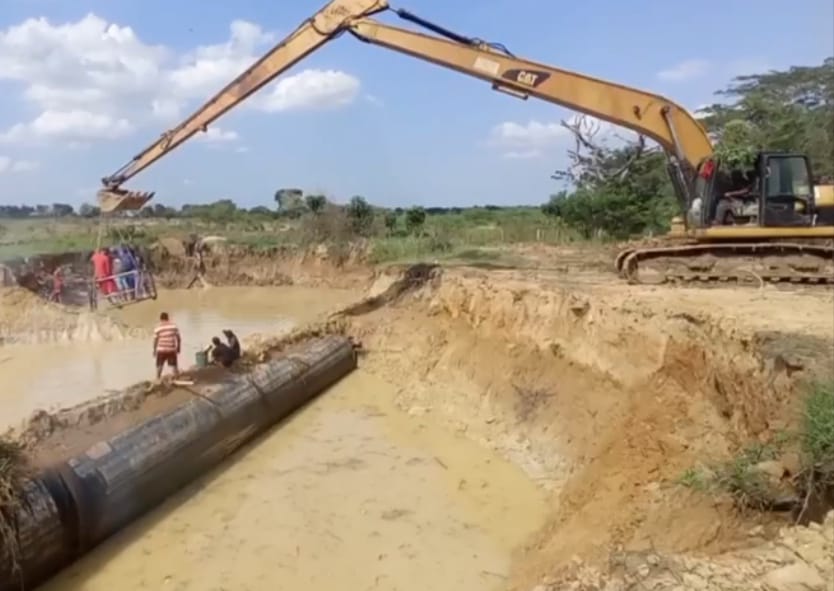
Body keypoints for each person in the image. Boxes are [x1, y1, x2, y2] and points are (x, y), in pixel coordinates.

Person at [153, 312, 181, 379]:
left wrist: (154, 350)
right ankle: (176, 377)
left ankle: (157, 378)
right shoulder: (174, 326)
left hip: (161, 350)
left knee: (159, 365)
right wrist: (178, 348)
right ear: (168, 318)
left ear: (161, 319)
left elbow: (155, 341)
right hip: (171, 349)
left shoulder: (157, 328)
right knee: (174, 365)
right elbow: (178, 338)